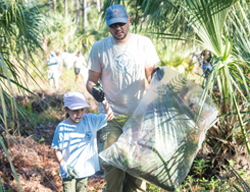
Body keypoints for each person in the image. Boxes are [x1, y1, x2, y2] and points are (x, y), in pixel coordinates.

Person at [86, 4, 160, 192]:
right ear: (107, 26)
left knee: (136, 170)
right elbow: (91, 82)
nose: (118, 28)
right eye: (113, 25)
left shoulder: (143, 43)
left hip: (139, 118)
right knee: (113, 167)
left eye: (121, 23)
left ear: (128, 21)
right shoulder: (99, 47)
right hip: (111, 118)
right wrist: (96, 92)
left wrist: (158, 80)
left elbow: (151, 77)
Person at [51, 91, 114, 192]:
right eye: (75, 110)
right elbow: (57, 150)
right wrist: (63, 164)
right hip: (68, 172)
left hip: (84, 171)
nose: (79, 114)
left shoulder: (90, 120)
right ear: (67, 109)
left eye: (82, 110)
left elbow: (110, 116)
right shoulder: (62, 127)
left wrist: (104, 100)